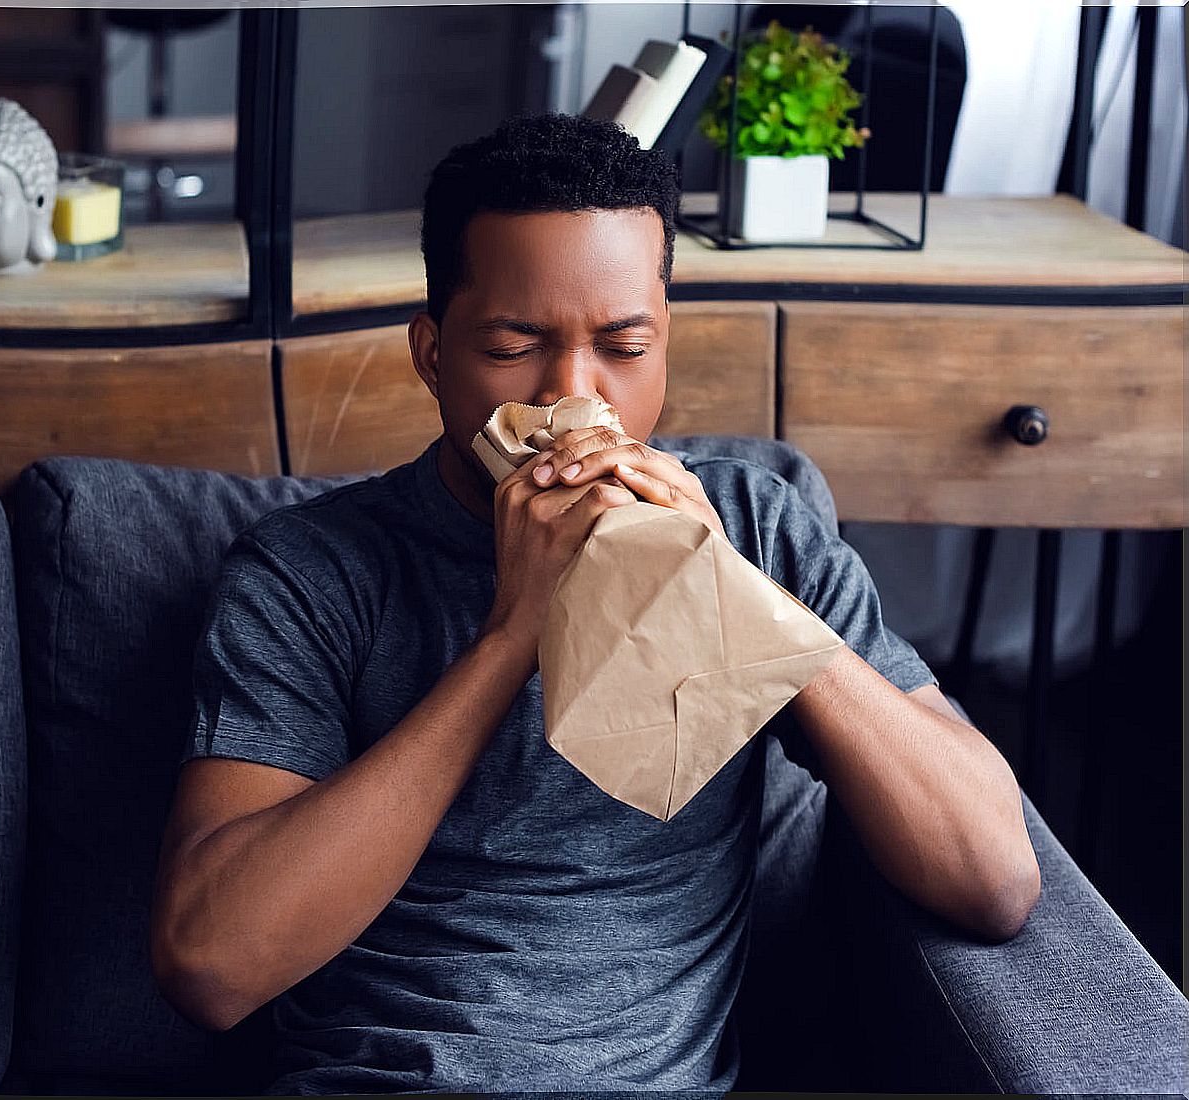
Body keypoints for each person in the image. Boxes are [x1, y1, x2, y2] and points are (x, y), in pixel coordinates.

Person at [150, 113, 1039, 1095]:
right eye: (515, 343)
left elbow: (993, 878)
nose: (575, 394)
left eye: (623, 344)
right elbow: (211, 965)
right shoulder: (309, 570)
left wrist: (732, 595)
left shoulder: (758, 527)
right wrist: (511, 633)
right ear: (432, 351)